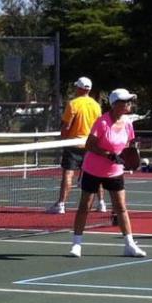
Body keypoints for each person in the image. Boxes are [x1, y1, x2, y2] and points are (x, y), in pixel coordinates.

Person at [69, 89, 146, 259]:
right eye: (125, 101)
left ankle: (129, 245)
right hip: (93, 169)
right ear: (115, 104)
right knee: (85, 206)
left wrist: (130, 157)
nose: (128, 104)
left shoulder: (128, 123)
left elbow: (129, 144)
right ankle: (76, 244)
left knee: (121, 207)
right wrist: (108, 155)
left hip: (115, 171)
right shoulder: (102, 122)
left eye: (129, 101)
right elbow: (89, 145)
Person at [53, 76, 105, 214]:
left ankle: (61, 205)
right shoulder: (96, 105)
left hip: (74, 145)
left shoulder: (73, 104)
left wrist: (63, 138)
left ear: (79, 88)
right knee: (96, 174)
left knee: (68, 174)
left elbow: (66, 125)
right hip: (90, 145)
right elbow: (99, 126)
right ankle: (101, 203)